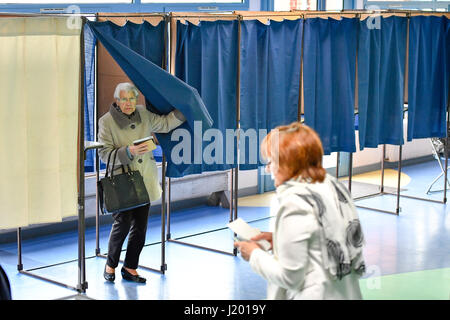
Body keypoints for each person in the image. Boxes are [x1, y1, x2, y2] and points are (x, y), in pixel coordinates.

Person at [234, 122, 365, 299]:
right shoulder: (332, 186)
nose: (268, 168)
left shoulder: (295, 202)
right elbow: (327, 236)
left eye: (271, 161)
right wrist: (280, 238)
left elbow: (289, 277)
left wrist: (254, 254)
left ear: (286, 163)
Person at [98, 82, 186, 283]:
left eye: (131, 98)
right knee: (123, 224)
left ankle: (130, 267)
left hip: (144, 178)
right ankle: (110, 264)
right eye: (123, 99)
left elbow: (164, 124)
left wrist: (186, 110)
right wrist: (128, 151)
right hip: (123, 180)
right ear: (117, 101)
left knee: (140, 226)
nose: (128, 103)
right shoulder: (106, 122)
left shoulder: (143, 114)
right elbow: (104, 154)